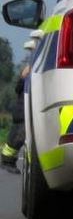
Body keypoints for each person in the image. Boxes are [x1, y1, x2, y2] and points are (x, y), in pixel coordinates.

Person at [1, 38, 36, 173]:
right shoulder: (30, 69)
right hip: (23, 110)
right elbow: (19, 88)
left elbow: (18, 88)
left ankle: (8, 160)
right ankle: (7, 160)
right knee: (18, 136)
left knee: (19, 136)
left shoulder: (29, 68)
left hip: (22, 109)